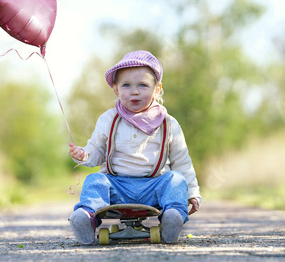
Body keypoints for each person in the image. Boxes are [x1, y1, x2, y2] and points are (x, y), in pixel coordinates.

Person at [69, 50, 201, 245]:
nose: (135, 91)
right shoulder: (108, 119)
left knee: (175, 179)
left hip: (153, 186)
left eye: (143, 85)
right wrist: (83, 155)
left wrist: (192, 193)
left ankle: (172, 218)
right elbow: (96, 150)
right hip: (117, 186)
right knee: (95, 180)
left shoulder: (168, 123)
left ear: (157, 89)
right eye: (126, 85)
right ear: (116, 89)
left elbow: (182, 161)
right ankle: (86, 219)